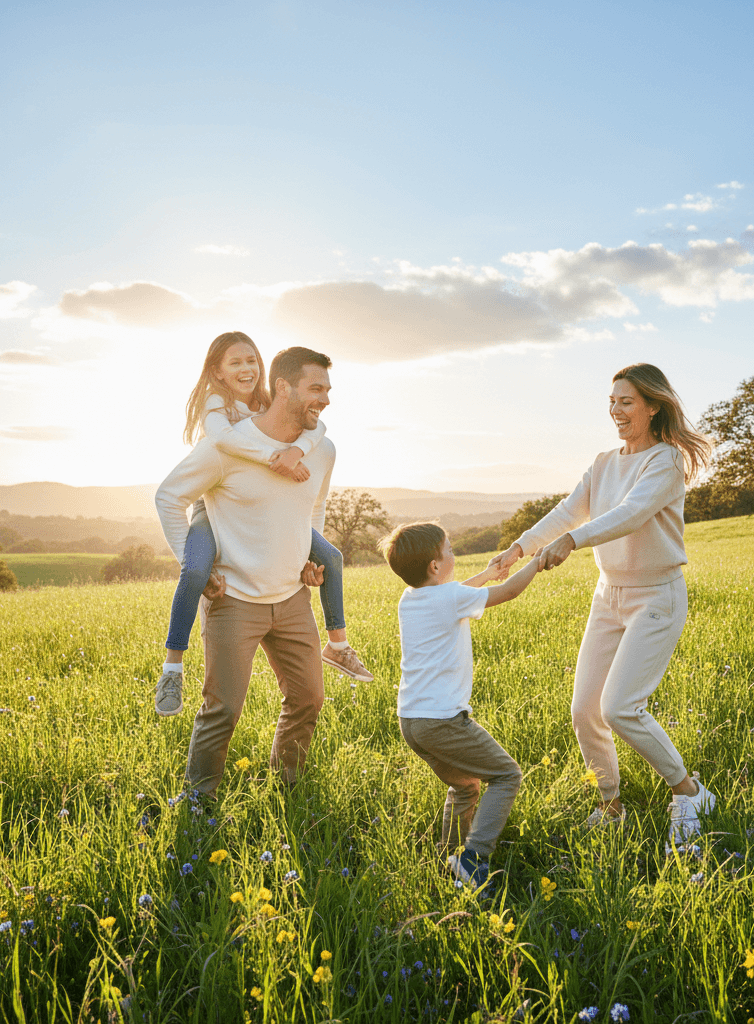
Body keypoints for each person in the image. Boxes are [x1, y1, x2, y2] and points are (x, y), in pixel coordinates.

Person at [489, 363, 715, 853]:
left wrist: (573, 541)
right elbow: (568, 510)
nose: (616, 411)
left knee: (620, 708)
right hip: (608, 595)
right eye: (612, 402)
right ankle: (610, 806)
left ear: (652, 406)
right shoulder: (603, 462)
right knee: (585, 710)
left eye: (626, 402)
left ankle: (690, 793)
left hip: (656, 596)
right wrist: (519, 548)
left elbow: (630, 514)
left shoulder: (665, 461)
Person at [154, 332, 372, 719]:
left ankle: (338, 645)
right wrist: (274, 456)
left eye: (252, 360)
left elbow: (318, 431)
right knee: (195, 570)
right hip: (211, 507)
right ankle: (173, 667)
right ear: (217, 372)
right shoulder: (216, 404)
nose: (247, 369)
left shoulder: (270, 403)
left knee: (332, 558)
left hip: (288, 591)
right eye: (235, 362)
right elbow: (223, 441)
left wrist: (296, 451)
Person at [155, 345, 338, 796]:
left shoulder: (323, 450)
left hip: (292, 600)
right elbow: (169, 497)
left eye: (328, 390)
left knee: (308, 699)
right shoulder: (225, 446)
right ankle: (199, 803)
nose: (325, 399)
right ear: (283, 387)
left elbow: (314, 507)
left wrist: (309, 557)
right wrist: (193, 563)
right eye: (316, 388)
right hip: (233, 600)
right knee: (222, 710)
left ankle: (288, 786)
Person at [379, 521, 540, 892]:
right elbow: (509, 592)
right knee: (507, 775)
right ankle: (474, 858)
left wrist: (486, 573)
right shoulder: (450, 598)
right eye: (449, 549)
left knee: (465, 787)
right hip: (443, 722)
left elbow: (452, 594)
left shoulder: (410, 598)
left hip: (411, 721)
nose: (454, 553)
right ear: (435, 565)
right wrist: (537, 561)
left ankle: (450, 862)